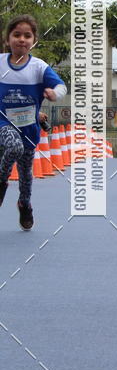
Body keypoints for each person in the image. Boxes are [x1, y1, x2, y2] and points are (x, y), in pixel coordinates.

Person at [0, 14, 67, 230]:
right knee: (13, 146)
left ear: (34, 40)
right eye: (16, 34)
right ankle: (1, 182)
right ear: (7, 39)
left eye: (27, 35)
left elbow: (61, 87)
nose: (22, 39)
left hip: (28, 126)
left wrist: (54, 94)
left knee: (26, 171)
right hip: (3, 123)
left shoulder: (39, 67)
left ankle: (25, 204)